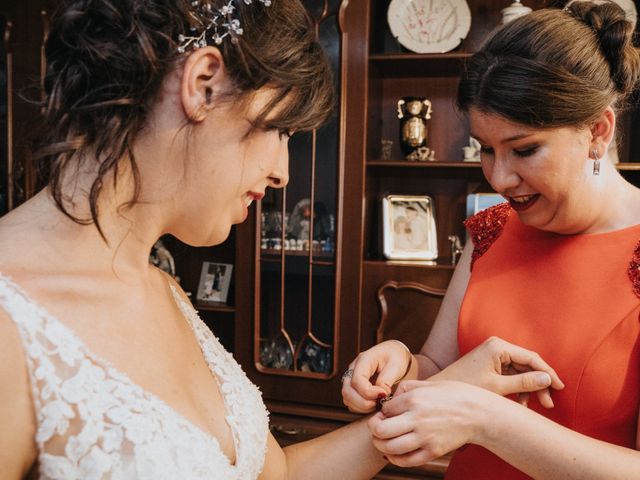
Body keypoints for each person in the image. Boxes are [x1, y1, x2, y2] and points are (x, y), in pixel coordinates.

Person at [0, 1, 565, 479]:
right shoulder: (12, 317)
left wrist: (439, 396)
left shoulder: (161, 288)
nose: (283, 173)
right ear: (203, 86)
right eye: (278, 129)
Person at [342, 2, 640, 478]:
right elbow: (439, 366)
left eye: (524, 150)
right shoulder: (493, 228)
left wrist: (489, 421)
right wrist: (401, 364)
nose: (499, 178)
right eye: (486, 149)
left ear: (597, 132)